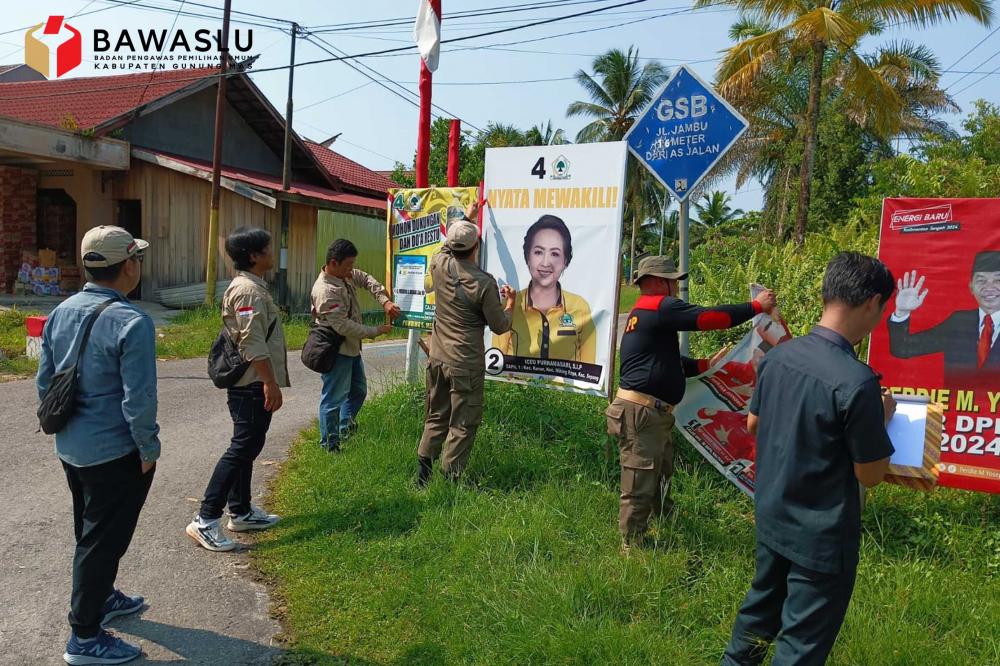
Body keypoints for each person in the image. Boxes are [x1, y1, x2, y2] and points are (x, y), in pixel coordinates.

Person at [722, 251, 897, 666]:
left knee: (757, 616)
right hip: (820, 537)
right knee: (800, 646)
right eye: (883, 310)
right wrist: (882, 418)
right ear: (873, 302)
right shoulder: (857, 382)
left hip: (773, 515)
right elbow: (870, 474)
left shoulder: (780, 356)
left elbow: (752, 424)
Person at [37, 226, 158, 664]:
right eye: (137, 258)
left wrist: (66, 431)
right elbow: (138, 399)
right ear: (128, 267)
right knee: (102, 542)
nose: (138, 265)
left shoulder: (60, 311)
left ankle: (103, 596)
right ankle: (84, 636)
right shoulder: (132, 322)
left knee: (89, 529)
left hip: (72, 447)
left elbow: (45, 383)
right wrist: (148, 449)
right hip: (115, 451)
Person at [607, 256, 776, 548]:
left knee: (659, 475)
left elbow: (664, 362)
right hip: (641, 413)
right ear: (658, 282)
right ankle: (632, 546)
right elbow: (709, 318)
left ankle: (664, 523)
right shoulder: (660, 306)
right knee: (639, 482)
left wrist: (703, 365)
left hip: (648, 413)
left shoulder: (643, 312)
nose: (676, 287)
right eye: (672, 281)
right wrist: (755, 307)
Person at [187, 227, 288, 553]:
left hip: (253, 383)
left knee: (248, 446)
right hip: (251, 384)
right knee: (242, 448)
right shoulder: (247, 292)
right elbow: (252, 342)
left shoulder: (253, 287)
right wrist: (269, 382)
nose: (273, 252)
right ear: (255, 256)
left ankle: (241, 511)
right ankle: (205, 518)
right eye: (268, 248)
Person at [417, 202, 516, 485]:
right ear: (476, 248)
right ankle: (450, 482)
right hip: (465, 364)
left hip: (438, 358)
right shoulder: (483, 283)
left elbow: (445, 247)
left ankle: (422, 478)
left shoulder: (439, 264)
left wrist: (466, 218)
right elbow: (500, 325)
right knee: (462, 423)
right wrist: (511, 303)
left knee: (436, 416)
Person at [310, 239, 400, 452]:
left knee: (358, 391)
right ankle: (330, 446)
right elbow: (344, 326)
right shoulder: (326, 290)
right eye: (348, 265)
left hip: (351, 348)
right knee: (333, 399)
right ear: (334, 263)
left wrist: (385, 301)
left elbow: (366, 279)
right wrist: (375, 331)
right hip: (336, 350)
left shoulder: (344, 275)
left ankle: (345, 429)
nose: (352, 270)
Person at [492, 214, 597, 363]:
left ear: (565, 261)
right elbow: (496, 362)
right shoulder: (511, 305)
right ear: (527, 257)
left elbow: (588, 368)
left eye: (555, 254)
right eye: (538, 252)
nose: (546, 262)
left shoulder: (580, 307)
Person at [888, 250, 1000, 386]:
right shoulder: (959, 322)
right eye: (981, 280)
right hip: (957, 400)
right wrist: (902, 311)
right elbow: (903, 348)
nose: (989, 288)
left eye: (997, 280)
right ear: (971, 287)